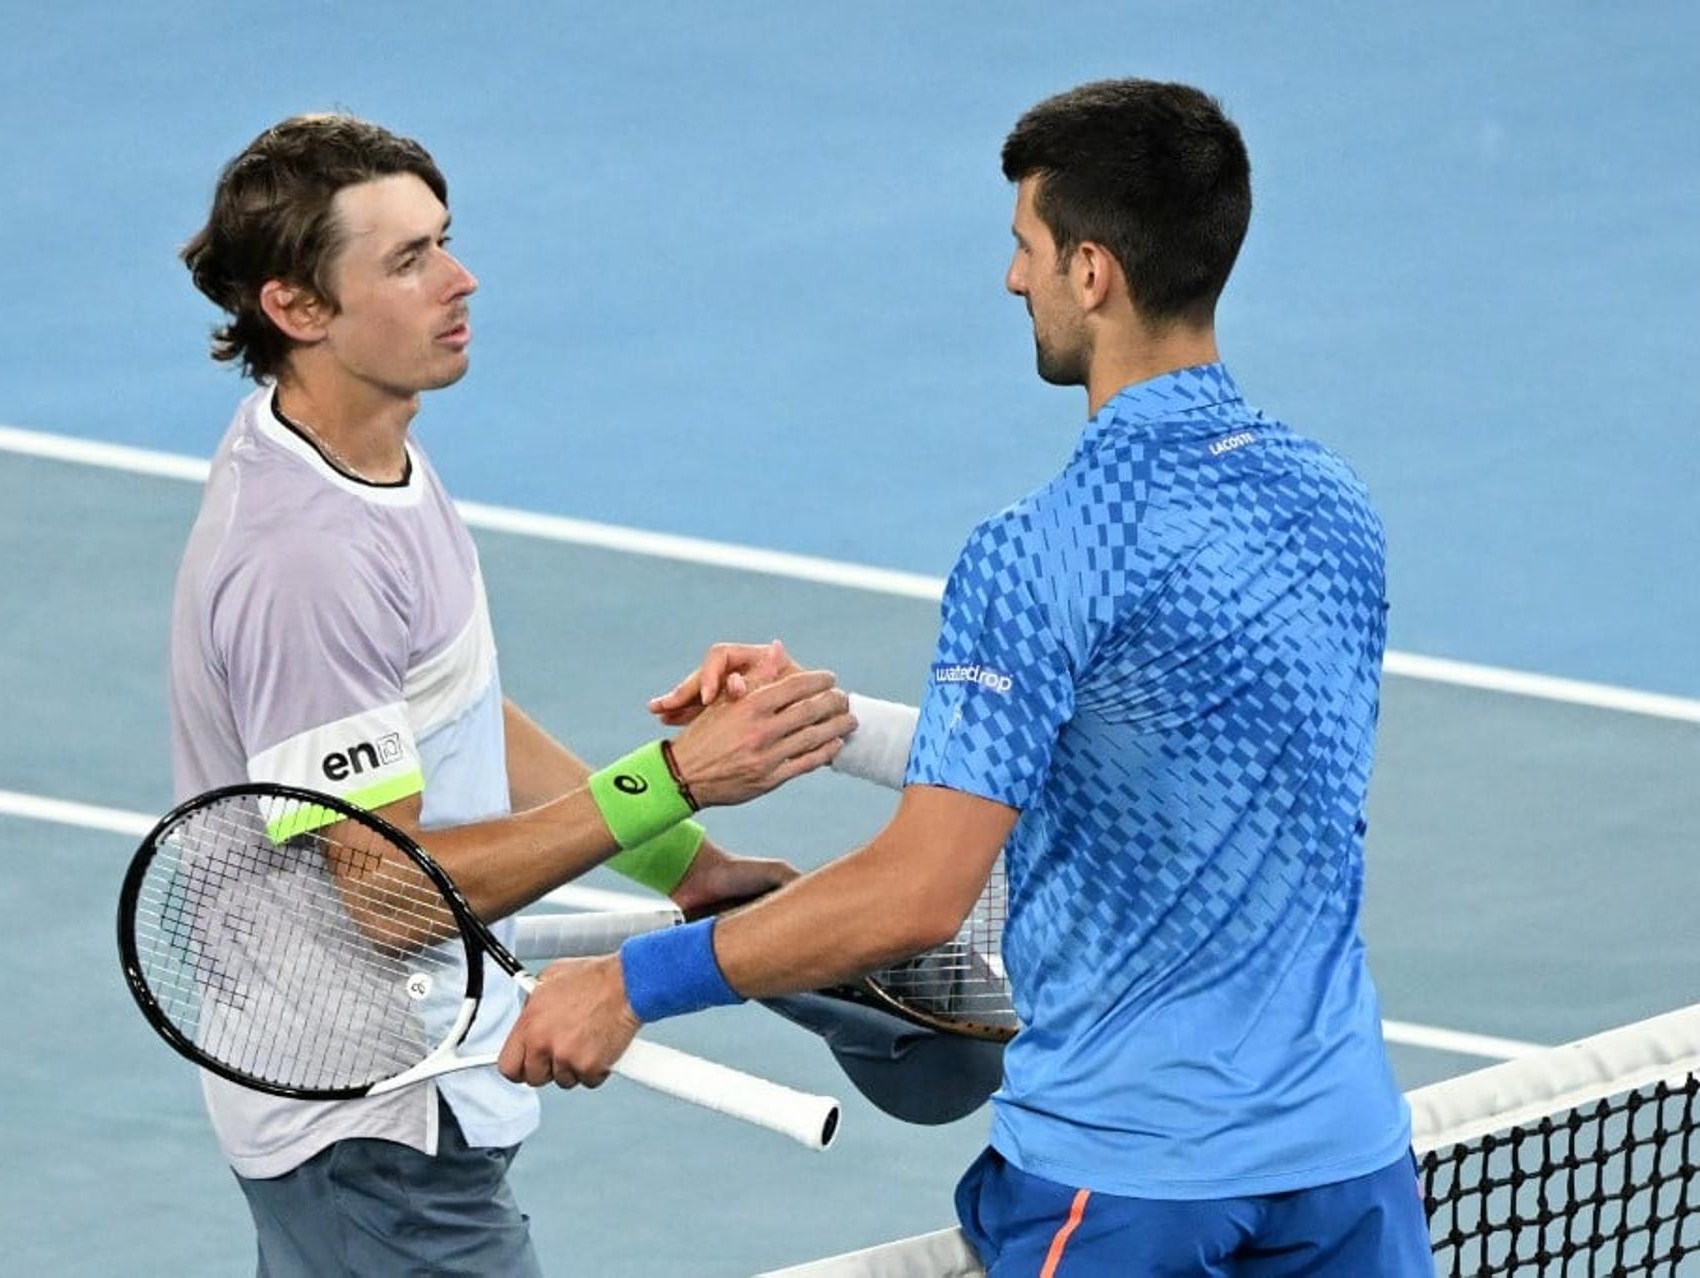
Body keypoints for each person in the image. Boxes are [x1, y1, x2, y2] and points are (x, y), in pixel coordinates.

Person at [500, 81, 1438, 1276]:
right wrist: (832, 729)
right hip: (1346, 1165)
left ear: (1092, 272)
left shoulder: (1040, 548)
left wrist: (636, 983)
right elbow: (1150, 758)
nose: (1014, 281)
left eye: (1026, 248)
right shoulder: (1332, 505)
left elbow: (916, 897)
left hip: (1132, 1184)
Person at [168, 113, 854, 1278]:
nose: (461, 277)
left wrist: (682, 864)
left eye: (445, 242)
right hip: (370, 1120)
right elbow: (388, 898)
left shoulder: (369, 448)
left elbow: (452, 706)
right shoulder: (307, 559)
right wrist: (676, 774)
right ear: (297, 308)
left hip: (403, 1100)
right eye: (408, 260)